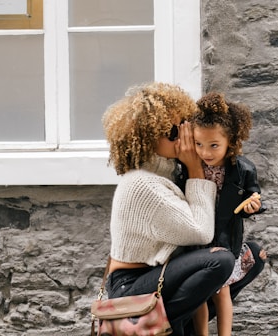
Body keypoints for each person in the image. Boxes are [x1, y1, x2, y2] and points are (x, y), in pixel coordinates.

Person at [102, 82, 236, 336]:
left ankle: (169, 326)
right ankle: (145, 325)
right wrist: (197, 170)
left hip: (158, 276)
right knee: (220, 260)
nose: (184, 136)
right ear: (148, 136)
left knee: (250, 255)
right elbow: (200, 231)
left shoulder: (168, 174)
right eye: (173, 131)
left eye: (186, 125)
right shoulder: (142, 184)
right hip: (130, 285)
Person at [177, 92, 267, 336]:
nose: (206, 152)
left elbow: (253, 195)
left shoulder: (243, 169)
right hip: (197, 237)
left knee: (222, 290)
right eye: (199, 144)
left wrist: (253, 205)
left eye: (214, 145)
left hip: (226, 238)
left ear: (231, 141)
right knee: (201, 291)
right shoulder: (187, 167)